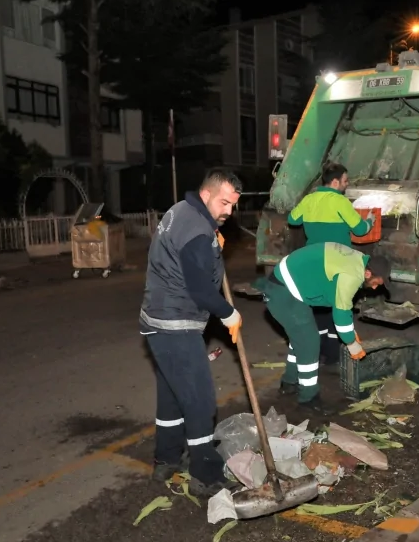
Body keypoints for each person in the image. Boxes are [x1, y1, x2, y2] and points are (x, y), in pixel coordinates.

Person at [139, 169, 243, 498]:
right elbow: (200, 289)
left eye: (234, 205)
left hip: (156, 319)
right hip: (176, 322)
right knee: (200, 402)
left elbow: (180, 256)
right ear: (207, 193)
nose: (229, 210)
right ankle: (205, 474)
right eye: (224, 202)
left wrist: (211, 243)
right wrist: (229, 314)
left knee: (172, 396)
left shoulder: (180, 211)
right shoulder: (198, 230)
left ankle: (167, 460)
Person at [257, 241, 391, 415]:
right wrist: (352, 343)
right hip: (283, 291)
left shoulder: (357, 260)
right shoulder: (351, 276)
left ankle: (289, 383)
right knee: (309, 342)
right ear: (367, 273)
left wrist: (351, 333)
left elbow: (340, 303)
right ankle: (308, 399)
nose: (374, 287)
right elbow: (341, 314)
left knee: (300, 337)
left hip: (285, 284)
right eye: (375, 282)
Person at [287, 163, 375, 366]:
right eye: (345, 180)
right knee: (338, 304)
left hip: (314, 262)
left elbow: (292, 219)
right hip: (337, 264)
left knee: (317, 306)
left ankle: (317, 350)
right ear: (335, 182)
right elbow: (360, 230)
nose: (347, 184)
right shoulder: (340, 202)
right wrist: (370, 220)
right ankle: (333, 355)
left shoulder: (309, 199)